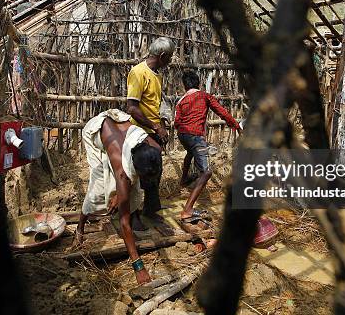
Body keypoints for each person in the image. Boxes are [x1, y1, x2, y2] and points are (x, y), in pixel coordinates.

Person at [76, 109, 162, 285]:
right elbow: (124, 223)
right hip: (96, 133)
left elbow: (139, 176)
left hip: (117, 122)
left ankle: (131, 207)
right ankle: (80, 227)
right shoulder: (122, 171)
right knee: (98, 186)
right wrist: (138, 266)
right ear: (132, 168)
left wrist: (123, 192)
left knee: (133, 188)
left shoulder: (154, 148)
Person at [174, 70, 242, 221]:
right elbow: (222, 112)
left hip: (183, 135)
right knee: (207, 172)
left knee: (190, 152)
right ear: (198, 83)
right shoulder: (204, 96)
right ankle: (187, 210)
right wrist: (236, 125)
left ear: (185, 86)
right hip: (195, 136)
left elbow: (177, 122)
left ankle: (184, 180)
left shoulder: (181, 101)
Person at [126, 37, 175, 218]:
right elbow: (132, 107)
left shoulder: (157, 75)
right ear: (162, 56)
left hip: (152, 131)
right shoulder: (138, 72)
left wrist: (162, 125)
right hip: (139, 131)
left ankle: (150, 210)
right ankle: (133, 215)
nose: (169, 62)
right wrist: (155, 126)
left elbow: (156, 104)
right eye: (169, 58)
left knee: (156, 171)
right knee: (140, 174)